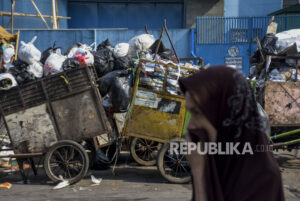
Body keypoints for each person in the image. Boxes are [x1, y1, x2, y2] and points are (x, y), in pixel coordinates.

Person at [179, 66, 284, 201]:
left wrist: (199, 176)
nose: (190, 125)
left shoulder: (263, 179)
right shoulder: (213, 158)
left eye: (197, 113)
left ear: (224, 114)